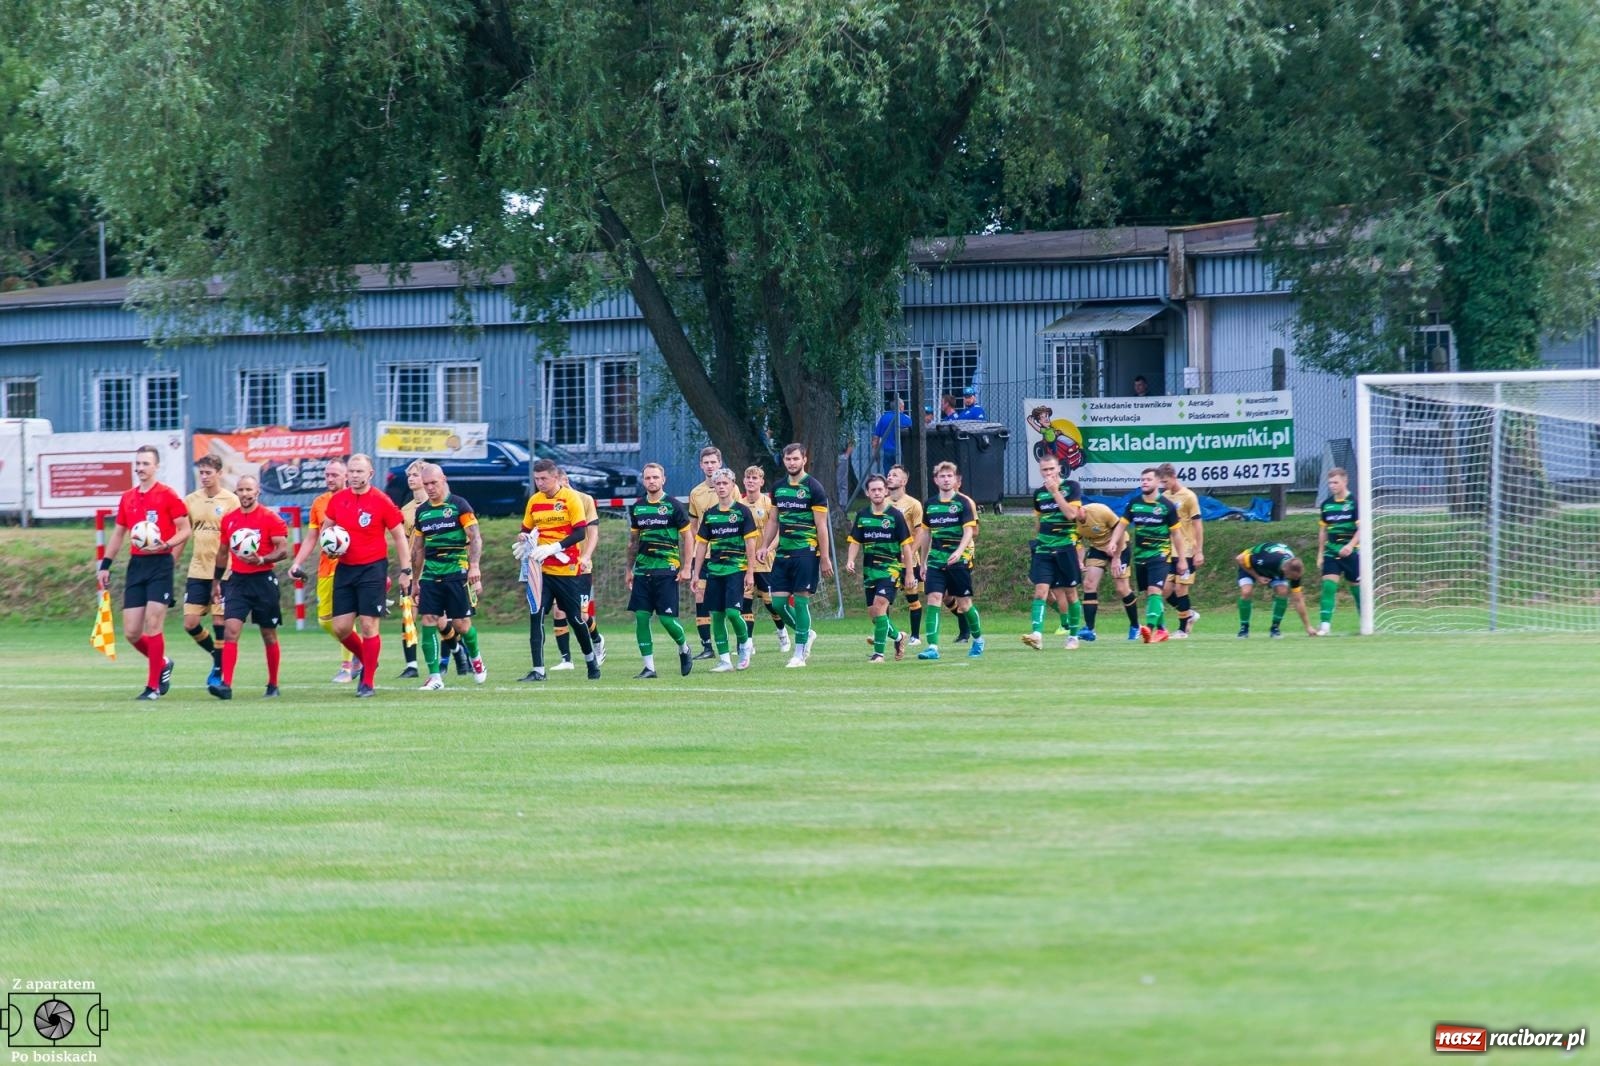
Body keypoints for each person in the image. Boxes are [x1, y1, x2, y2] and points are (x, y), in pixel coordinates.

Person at [96, 444, 192, 700]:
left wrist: (168, 545)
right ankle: (162, 663)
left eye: (145, 464)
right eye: (137, 464)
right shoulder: (128, 497)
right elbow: (118, 533)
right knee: (131, 632)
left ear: (156, 466)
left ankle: (153, 688)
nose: (140, 468)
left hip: (161, 563)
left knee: (153, 624)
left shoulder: (168, 495)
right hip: (137, 566)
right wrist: (105, 565)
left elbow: (185, 529)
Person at [324, 453, 412, 696]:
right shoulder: (338, 500)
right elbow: (327, 530)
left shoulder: (382, 501)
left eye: (359, 471)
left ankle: (367, 683)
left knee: (368, 625)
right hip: (345, 568)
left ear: (370, 474)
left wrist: (406, 570)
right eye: (351, 471)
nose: (354, 475)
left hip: (373, 569)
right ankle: (368, 659)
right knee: (340, 628)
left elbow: (399, 537)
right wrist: (329, 548)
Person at [518, 458, 600, 681]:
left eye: (544, 479)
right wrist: (524, 539)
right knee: (536, 615)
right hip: (541, 571)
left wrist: (554, 547)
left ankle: (591, 660)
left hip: (566, 570)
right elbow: (526, 528)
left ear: (555, 477)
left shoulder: (571, 498)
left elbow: (579, 533)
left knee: (575, 618)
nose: (540, 483)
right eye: (536, 479)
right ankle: (538, 671)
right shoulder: (534, 501)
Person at [209, 474, 289, 699]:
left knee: (268, 635)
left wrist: (262, 559)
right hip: (237, 582)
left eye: (248, 490)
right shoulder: (229, 519)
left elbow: (283, 550)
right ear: (237, 493)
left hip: (263, 581)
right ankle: (226, 685)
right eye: (241, 490)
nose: (244, 494)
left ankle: (273, 684)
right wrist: (216, 582)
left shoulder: (270, 518)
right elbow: (223, 552)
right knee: (230, 631)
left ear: (257, 492)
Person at [409, 462, 487, 690]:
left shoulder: (459, 505)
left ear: (443, 479)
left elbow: (475, 537)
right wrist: (415, 581)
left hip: (457, 572)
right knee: (428, 621)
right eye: (426, 484)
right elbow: (418, 549)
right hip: (431, 574)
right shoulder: (422, 511)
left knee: (462, 625)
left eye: (434, 483)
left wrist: (474, 567)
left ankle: (476, 659)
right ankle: (435, 677)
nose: (430, 488)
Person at [755, 443, 833, 668]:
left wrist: (825, 557)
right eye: (788, 459)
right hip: (783, 553)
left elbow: (822, 526)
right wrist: (764, 546)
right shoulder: (778, 487)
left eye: (795, 459)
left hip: (806, 552)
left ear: (804, 460)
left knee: (800, 601)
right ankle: (806, 633)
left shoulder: (814, 488)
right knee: (778, 603)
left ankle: (799, 654)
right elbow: (773, 520)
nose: (791, 463)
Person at [625, 462, 694, 678]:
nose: (652, 481)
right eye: (648, 478)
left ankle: (684, 648)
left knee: (667, 620)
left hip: (666, 570)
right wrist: (629, 569)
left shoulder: (673, 505)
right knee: (642, 618)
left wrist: (687, 567)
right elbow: (633, 541)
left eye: (655, 477)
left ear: (663, 479)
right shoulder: (638, 507)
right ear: (643, 481)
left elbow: (688, 537)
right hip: (643, 571)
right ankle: (649, 668)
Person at [289, 458, 355, 682]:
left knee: (344, 618)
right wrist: (297, 562)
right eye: (327, 475)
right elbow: (311, 538)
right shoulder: (319, 503)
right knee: (325, 621)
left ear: (345, 476)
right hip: (325, 568)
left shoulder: (355, 500)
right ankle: (359, 648)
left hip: (349, 567)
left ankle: (347, 666)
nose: (329, 479)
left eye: (334, 475)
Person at [690, 467, 759, 672]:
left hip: (736, 569)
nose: (721, 487)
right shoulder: (710, 515)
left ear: (732, 485)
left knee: (732, 612)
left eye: (725, 483)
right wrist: (696, 573)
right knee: (717, 615)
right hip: (715, 571)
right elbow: (701, 545)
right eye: (718, 483)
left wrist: (750, 572)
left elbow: (750, 544)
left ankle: (745, 644)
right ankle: (725, 661)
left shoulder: (742, 511)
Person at [181, 454, 239, 688]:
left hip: (224, 571)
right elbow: (184, 532)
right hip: (197, 569)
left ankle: (218, 669)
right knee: (190, 623)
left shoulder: (231, 501)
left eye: (208, 473)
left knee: (219, 621)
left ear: (219, 473)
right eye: (201, 473)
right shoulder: (190, 501)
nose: (204, 477)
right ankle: (217, 655)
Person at [915, 460, 983, 660]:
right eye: (942, 476)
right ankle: (933, 647)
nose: (946, 479)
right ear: (936, 480)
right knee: (934, 599)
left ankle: (978, 639)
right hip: (936, 560)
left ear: (955, 480)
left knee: (964, 603)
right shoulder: (930, 504)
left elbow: (969, 530)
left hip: (958, 560)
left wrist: (959, 552)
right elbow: (927, 534)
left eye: (949, 476)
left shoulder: (962, 502)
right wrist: (924, 561)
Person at [845, 473, 916, 662]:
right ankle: (899, 637)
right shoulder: (862, 515)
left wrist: (909, 572)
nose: (877, 492)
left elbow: (906, 546)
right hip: (870, 571)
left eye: (880, 489)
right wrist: (851, 560)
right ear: (867, 493)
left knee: (879, 606)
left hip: (890, 569)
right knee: (874, 614)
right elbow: (854, 542)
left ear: (886, 491)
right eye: (873, 489)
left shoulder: (895, 516)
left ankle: (879, 654)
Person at [1115, 467, 1189, 643]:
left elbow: (1177, 534)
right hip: (1141, 556)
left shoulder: (1167, 506)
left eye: (1148, 479)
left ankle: (1148, 627)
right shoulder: (1134, 503)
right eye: (1142, 480)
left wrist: (1182, 559)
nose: (1144, 483)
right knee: (1150, 593)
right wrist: (1113, 542)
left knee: (1155, 590)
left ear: (1157, 482)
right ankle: (1162, 630)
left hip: (1161, 554)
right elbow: (1121, 525)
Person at [1022, 454, 1084, 651]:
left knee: (1071, 594)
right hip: (1044, 549)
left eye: (1051, 469)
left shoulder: (1072, 487)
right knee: (1041, 591)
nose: (1048, 473)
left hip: (1066, 547)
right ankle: (1037, 635)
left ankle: (1073, 636)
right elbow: (1039, 522)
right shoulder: (1038, 494)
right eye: (1044, 470)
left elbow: (1071, 514)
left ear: (1058, 469)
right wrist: (1038, 542)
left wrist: (1056, 492)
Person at [551, 470, 605, 671]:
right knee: (558, 611)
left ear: (565, 480)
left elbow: (593, 533)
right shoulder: (551, 502)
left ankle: (597, 640)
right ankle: (566, 660)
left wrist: (586, 556)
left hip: (581, 567)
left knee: (581, 615)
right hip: (559, 567)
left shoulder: (584, 500)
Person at [741, 465, 791, 652]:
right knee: (745, 601)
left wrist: (768, 549)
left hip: (766, 562)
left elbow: (779, 530)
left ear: (762, 482)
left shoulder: (769, 504)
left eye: (755, 478)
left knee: (771, 604)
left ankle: (782, 633)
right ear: (744, 481)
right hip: (746, 563)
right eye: (748, 478)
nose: (751, 481)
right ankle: (748, 643)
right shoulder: (739, 504)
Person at [1075, 500, 1141, 641]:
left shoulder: (1100, 511)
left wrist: (1116, 558)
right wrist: (1080, 561)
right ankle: (1089, 630)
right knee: (1089, 584)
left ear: (1079, 507)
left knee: (1122, 588)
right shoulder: (1072, 522)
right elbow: (1078, 543)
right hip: (1098, 548)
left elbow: (1121, 531)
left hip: (1119, 547)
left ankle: (1136, 626)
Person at [1156, 462, 1205, 637]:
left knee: (1181, 589)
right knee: (1166, 591)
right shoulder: (1165, 497)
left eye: (1166, 481)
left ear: (1174, 477)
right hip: (1170, 550)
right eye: (1161, 482)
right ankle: (1189, 614)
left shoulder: (1189, 496)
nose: (1164, 485)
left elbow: (1198, 525)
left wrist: (1199, 550)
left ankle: (1183, 628)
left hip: (1187, 551)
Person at [686, 446, 722, 661]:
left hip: (726, 553)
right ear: (701, 465)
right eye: (706, 463)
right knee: (700, 595)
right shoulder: (695, 493)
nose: (710, 466)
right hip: (704, 555)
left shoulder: (730, 488)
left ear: (720, 463)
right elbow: (692, 525)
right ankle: (707, 646)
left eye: (713, 462)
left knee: (727, 600)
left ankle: (741, 642)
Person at [1236, 541, 1316, 638]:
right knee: (1246, 592)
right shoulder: (1268, 560)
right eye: (1292, 577)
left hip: (1274, 570)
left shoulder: (1295, 571)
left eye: (1296, 578)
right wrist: (1257, 577)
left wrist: (1308, 627)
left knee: (1283, 591)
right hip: (1250, 566)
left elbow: (1298, 599)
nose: (1294, 580)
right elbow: (1239, 558)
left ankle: (1275, 628)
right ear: (1285, 571)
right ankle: (1244, 628)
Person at [1317, 467, 1362, 636]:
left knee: (1357, 589)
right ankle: (1325, 626)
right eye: (1330, 483)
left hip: (1351, 553)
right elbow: (1323, 531)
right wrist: (1320, 553)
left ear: (1345, 481)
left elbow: (1361, 528)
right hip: (1331, 552)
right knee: (1328, 586)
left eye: (1335, 482)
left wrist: (1350, 545)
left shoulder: (1354, 503)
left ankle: (1365, 622)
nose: (1332, 486)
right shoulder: (1326, 505)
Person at [885, 464, 925, 645]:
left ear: (904, 481)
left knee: (912, 597)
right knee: (883, 599)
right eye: (889, 474)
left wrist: (910, 552)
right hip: (888, 560)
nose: (890, 477)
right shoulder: (882, 503)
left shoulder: (913, 504)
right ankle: (885, 634)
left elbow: (920, 533)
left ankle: (915, 636)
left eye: (895, 475)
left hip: (908, 560)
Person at [395, 461, 428, 679]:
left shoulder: (438, 505)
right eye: (410, 475)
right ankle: (412, 666)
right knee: (408, 616)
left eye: (416, 475)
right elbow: (404, 543)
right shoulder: (405, 511)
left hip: (434, 569)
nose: (411, 478)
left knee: (440, 619)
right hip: (412, 572)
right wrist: (405, 570)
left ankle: (455, 653)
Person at [870, 398, 913, 474]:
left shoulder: (883, 418)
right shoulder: (907, 419)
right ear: (901, 407)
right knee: (902, 473)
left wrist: (875, 452)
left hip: (887, 451)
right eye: (903, 406)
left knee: (888, 474)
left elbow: (876, 438)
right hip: (903, 450)